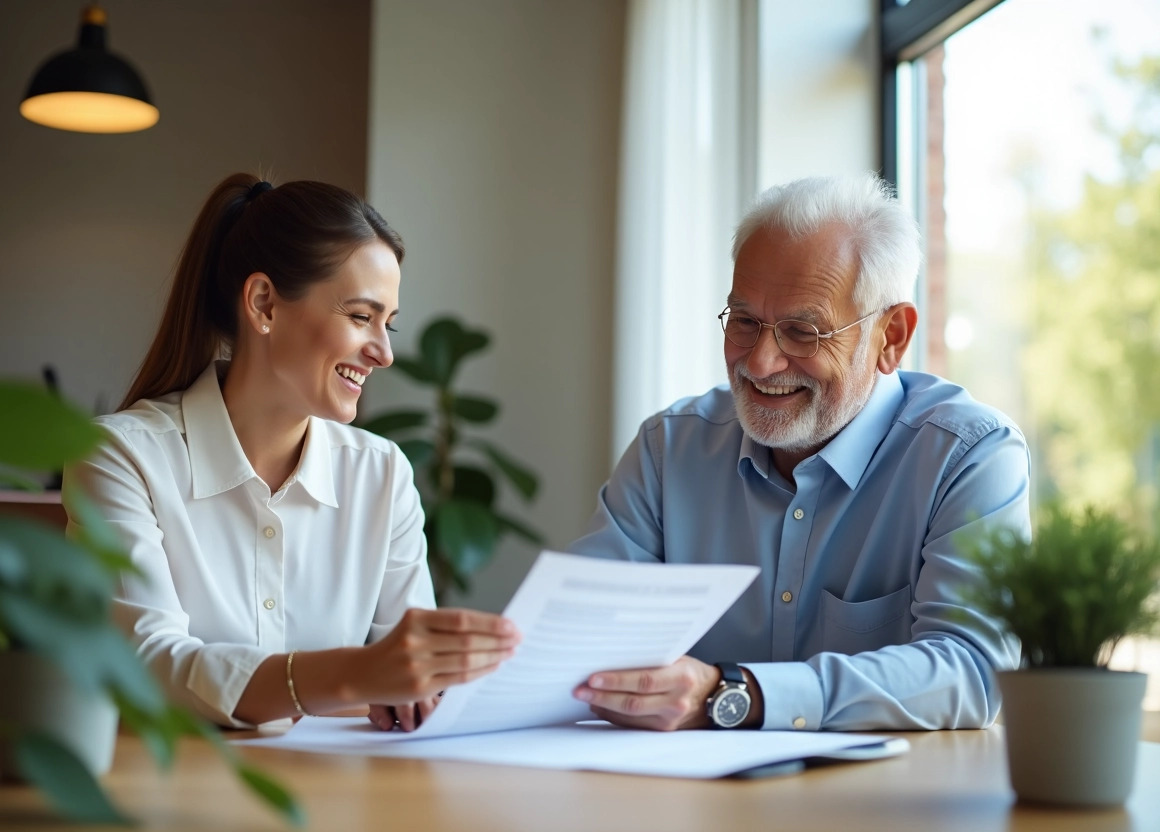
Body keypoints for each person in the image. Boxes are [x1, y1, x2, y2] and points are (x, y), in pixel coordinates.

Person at [568, 173, 1028, 732]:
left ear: (891, 337)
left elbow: (974, 672)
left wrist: (736, 694)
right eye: (744, 322)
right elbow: (577, 637)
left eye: (802, 333)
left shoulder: (968, 457)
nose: (760, 363)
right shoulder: (670, 448)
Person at [64, 173, 519, 731]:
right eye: (360, 316)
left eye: (388, 325)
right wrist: (353, 676)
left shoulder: (381, 476)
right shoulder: (120, 457)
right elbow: (150, 665)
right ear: (263, 304)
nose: (383, 353)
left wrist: (423, 690)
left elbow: (412, 684)